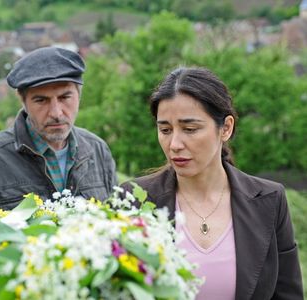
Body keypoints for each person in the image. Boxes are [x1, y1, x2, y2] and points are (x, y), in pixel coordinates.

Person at [121, 67, 303, 299]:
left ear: (226, 128)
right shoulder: (133, 200)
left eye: (190, 129)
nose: (174, 143)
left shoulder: (270, 199)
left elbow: (288, 295)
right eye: (165, 129)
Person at [0, 47, 117, 217]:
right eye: (41, 100)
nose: (56, 113)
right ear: (22, 100)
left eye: (65, 97)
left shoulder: (98, 151)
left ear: (79, 95)